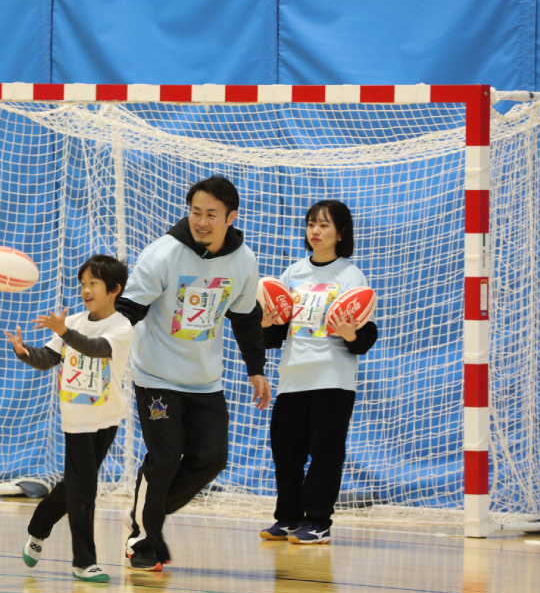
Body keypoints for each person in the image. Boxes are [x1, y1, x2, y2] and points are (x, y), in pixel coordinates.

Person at [115, 175, 270, 571]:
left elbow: (246, 318)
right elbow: (129, 310)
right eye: (196, 212)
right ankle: (144, 535)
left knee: (212, 458)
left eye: (212, 215)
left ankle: (145, 515)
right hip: (156, 376)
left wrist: (256, 370)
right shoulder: (163, 254)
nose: (202, 221)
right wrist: (102, 347)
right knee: (165, 456)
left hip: (204, 380)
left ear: (231, 217)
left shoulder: (244, 261)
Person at [5, 255, 133, 583]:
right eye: (82, 284)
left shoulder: (121, 327)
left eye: (94, 283)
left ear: (115, 289)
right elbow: (48, 358)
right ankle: (83, 562)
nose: (85, 290)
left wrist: (64, 331)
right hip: (76, 419)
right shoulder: (72, 320)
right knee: (84, 488)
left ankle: (38, 527)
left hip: (107, 418)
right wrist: (25, 352)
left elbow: (95, 348)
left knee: (73, 486)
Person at [259, 200, 378, 545]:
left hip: (332, 379)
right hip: (292, 377)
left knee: (325, 454)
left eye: (324, 225)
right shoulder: (292, 273)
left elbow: (365, 335)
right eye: (311, 224)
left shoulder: (351, 275)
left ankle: (318, 522)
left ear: (341, 233)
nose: (315, 231)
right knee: (286, 453)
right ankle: (288, 518)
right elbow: (277, 332)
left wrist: (351, 334)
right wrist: (266, 325)